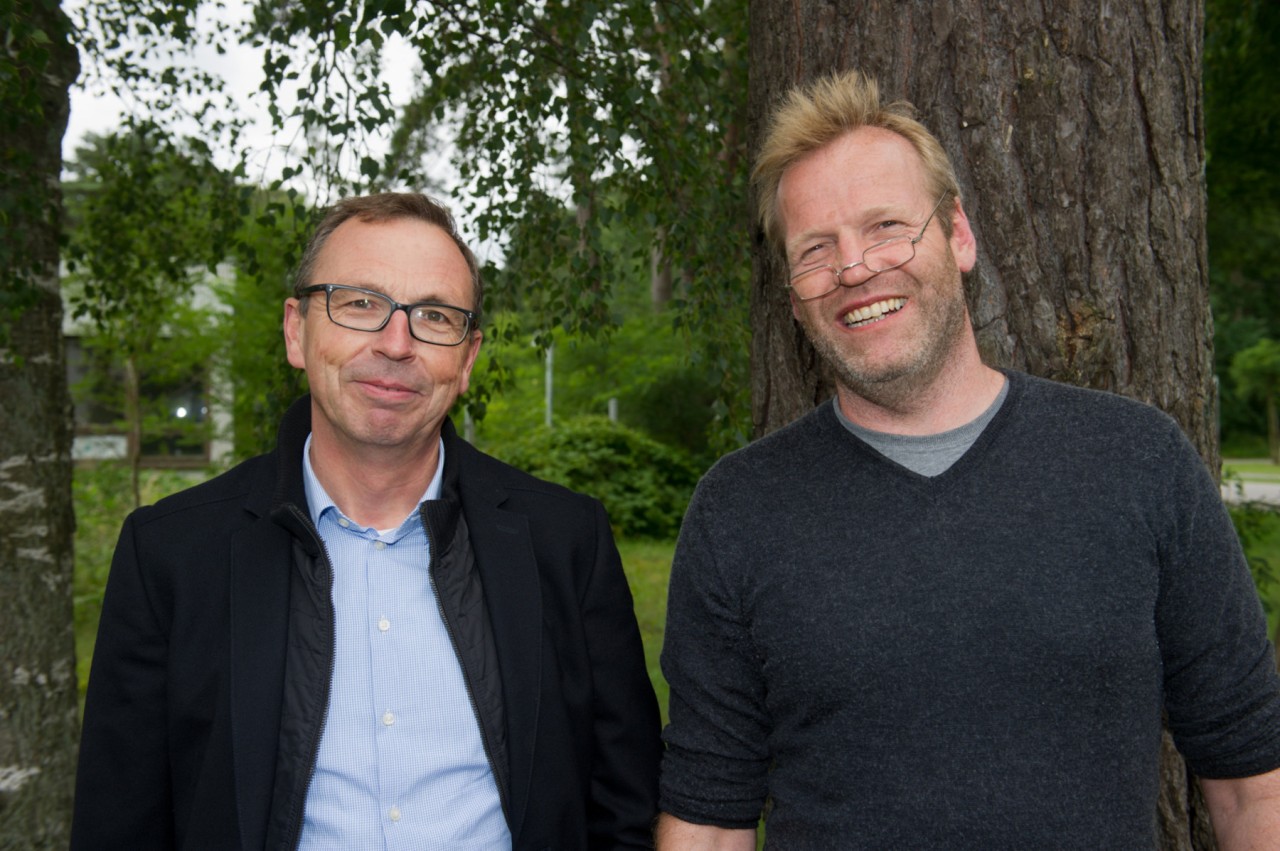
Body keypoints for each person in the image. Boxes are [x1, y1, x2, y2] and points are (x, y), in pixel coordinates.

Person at [656, 70, 1280, 849]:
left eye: (886, 226)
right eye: (817, 249)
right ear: (792, 293)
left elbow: (1255, 785)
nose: (855, 268)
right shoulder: (739, 511)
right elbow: (708, 824)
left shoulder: (1138, 462)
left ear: (958, 234)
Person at [72, 192, 662, 850]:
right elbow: (118, 821)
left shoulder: (565, 541)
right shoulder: (170, 556)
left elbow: (627, 803)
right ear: (297, 331)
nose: (396, 342)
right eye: (360, 303)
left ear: (466, 360)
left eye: (434, 316)